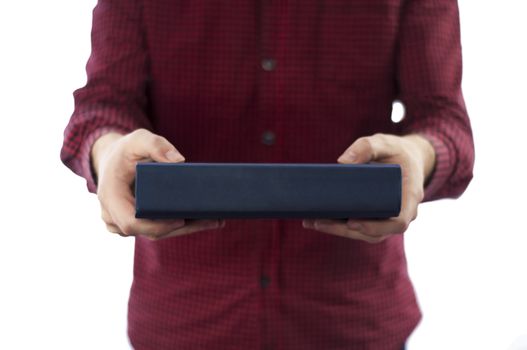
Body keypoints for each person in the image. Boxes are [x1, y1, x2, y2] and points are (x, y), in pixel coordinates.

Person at [61, 0, 474, 349]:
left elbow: (446, 124)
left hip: (353, 320)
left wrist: (418, 157)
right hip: (183, 320)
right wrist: (109, 151)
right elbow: (104, 104)